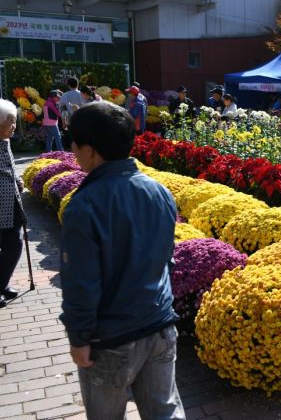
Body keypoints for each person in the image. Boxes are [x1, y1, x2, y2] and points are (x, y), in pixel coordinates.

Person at [60, 102, 185, 419]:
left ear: (90, 150)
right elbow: (165, 261)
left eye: (74, 145)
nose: (72, 152)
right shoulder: (159, 192)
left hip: (111, 339)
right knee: (165, 412)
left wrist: (79, 337)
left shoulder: (84, 205)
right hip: (159, 326)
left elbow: (81, 283)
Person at [0, 99, 25, 324]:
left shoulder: (4, 140)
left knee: (14, 245)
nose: (14, 127)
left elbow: (11, 165)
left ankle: (1, 283)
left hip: (12, 204)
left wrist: (18, 180)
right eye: (10, 123)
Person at [59, 77, 82, 149]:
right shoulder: (83, 94)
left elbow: (63, 109)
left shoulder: (65, 95)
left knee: (72, 139)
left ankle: (73, 156)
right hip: (82, 120)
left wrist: (63, 121)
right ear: (78, 84)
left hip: (70, 120)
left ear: (68, 85)